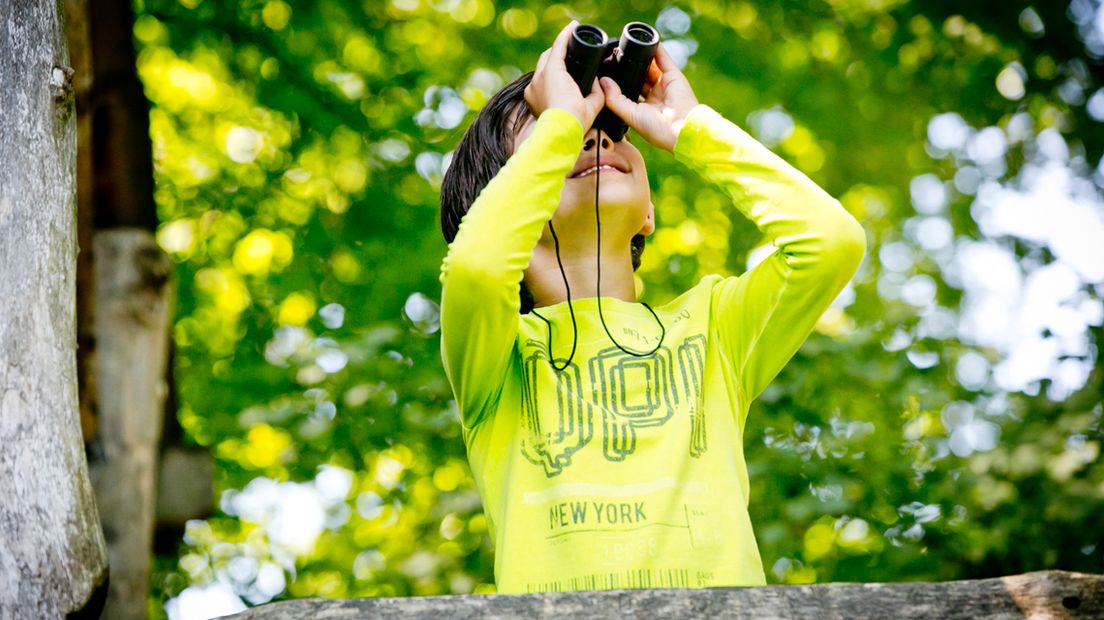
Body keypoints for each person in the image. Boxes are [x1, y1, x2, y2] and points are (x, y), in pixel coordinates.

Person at [437, 19, 866, 594]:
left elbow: (831, 241)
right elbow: (477, 266)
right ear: (510, 202)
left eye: (612, 128)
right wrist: (562, 121)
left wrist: (687, 128)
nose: (594, 136)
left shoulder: (714, 330)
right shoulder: (498, 361)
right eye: (556, 134)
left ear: (649, 214)